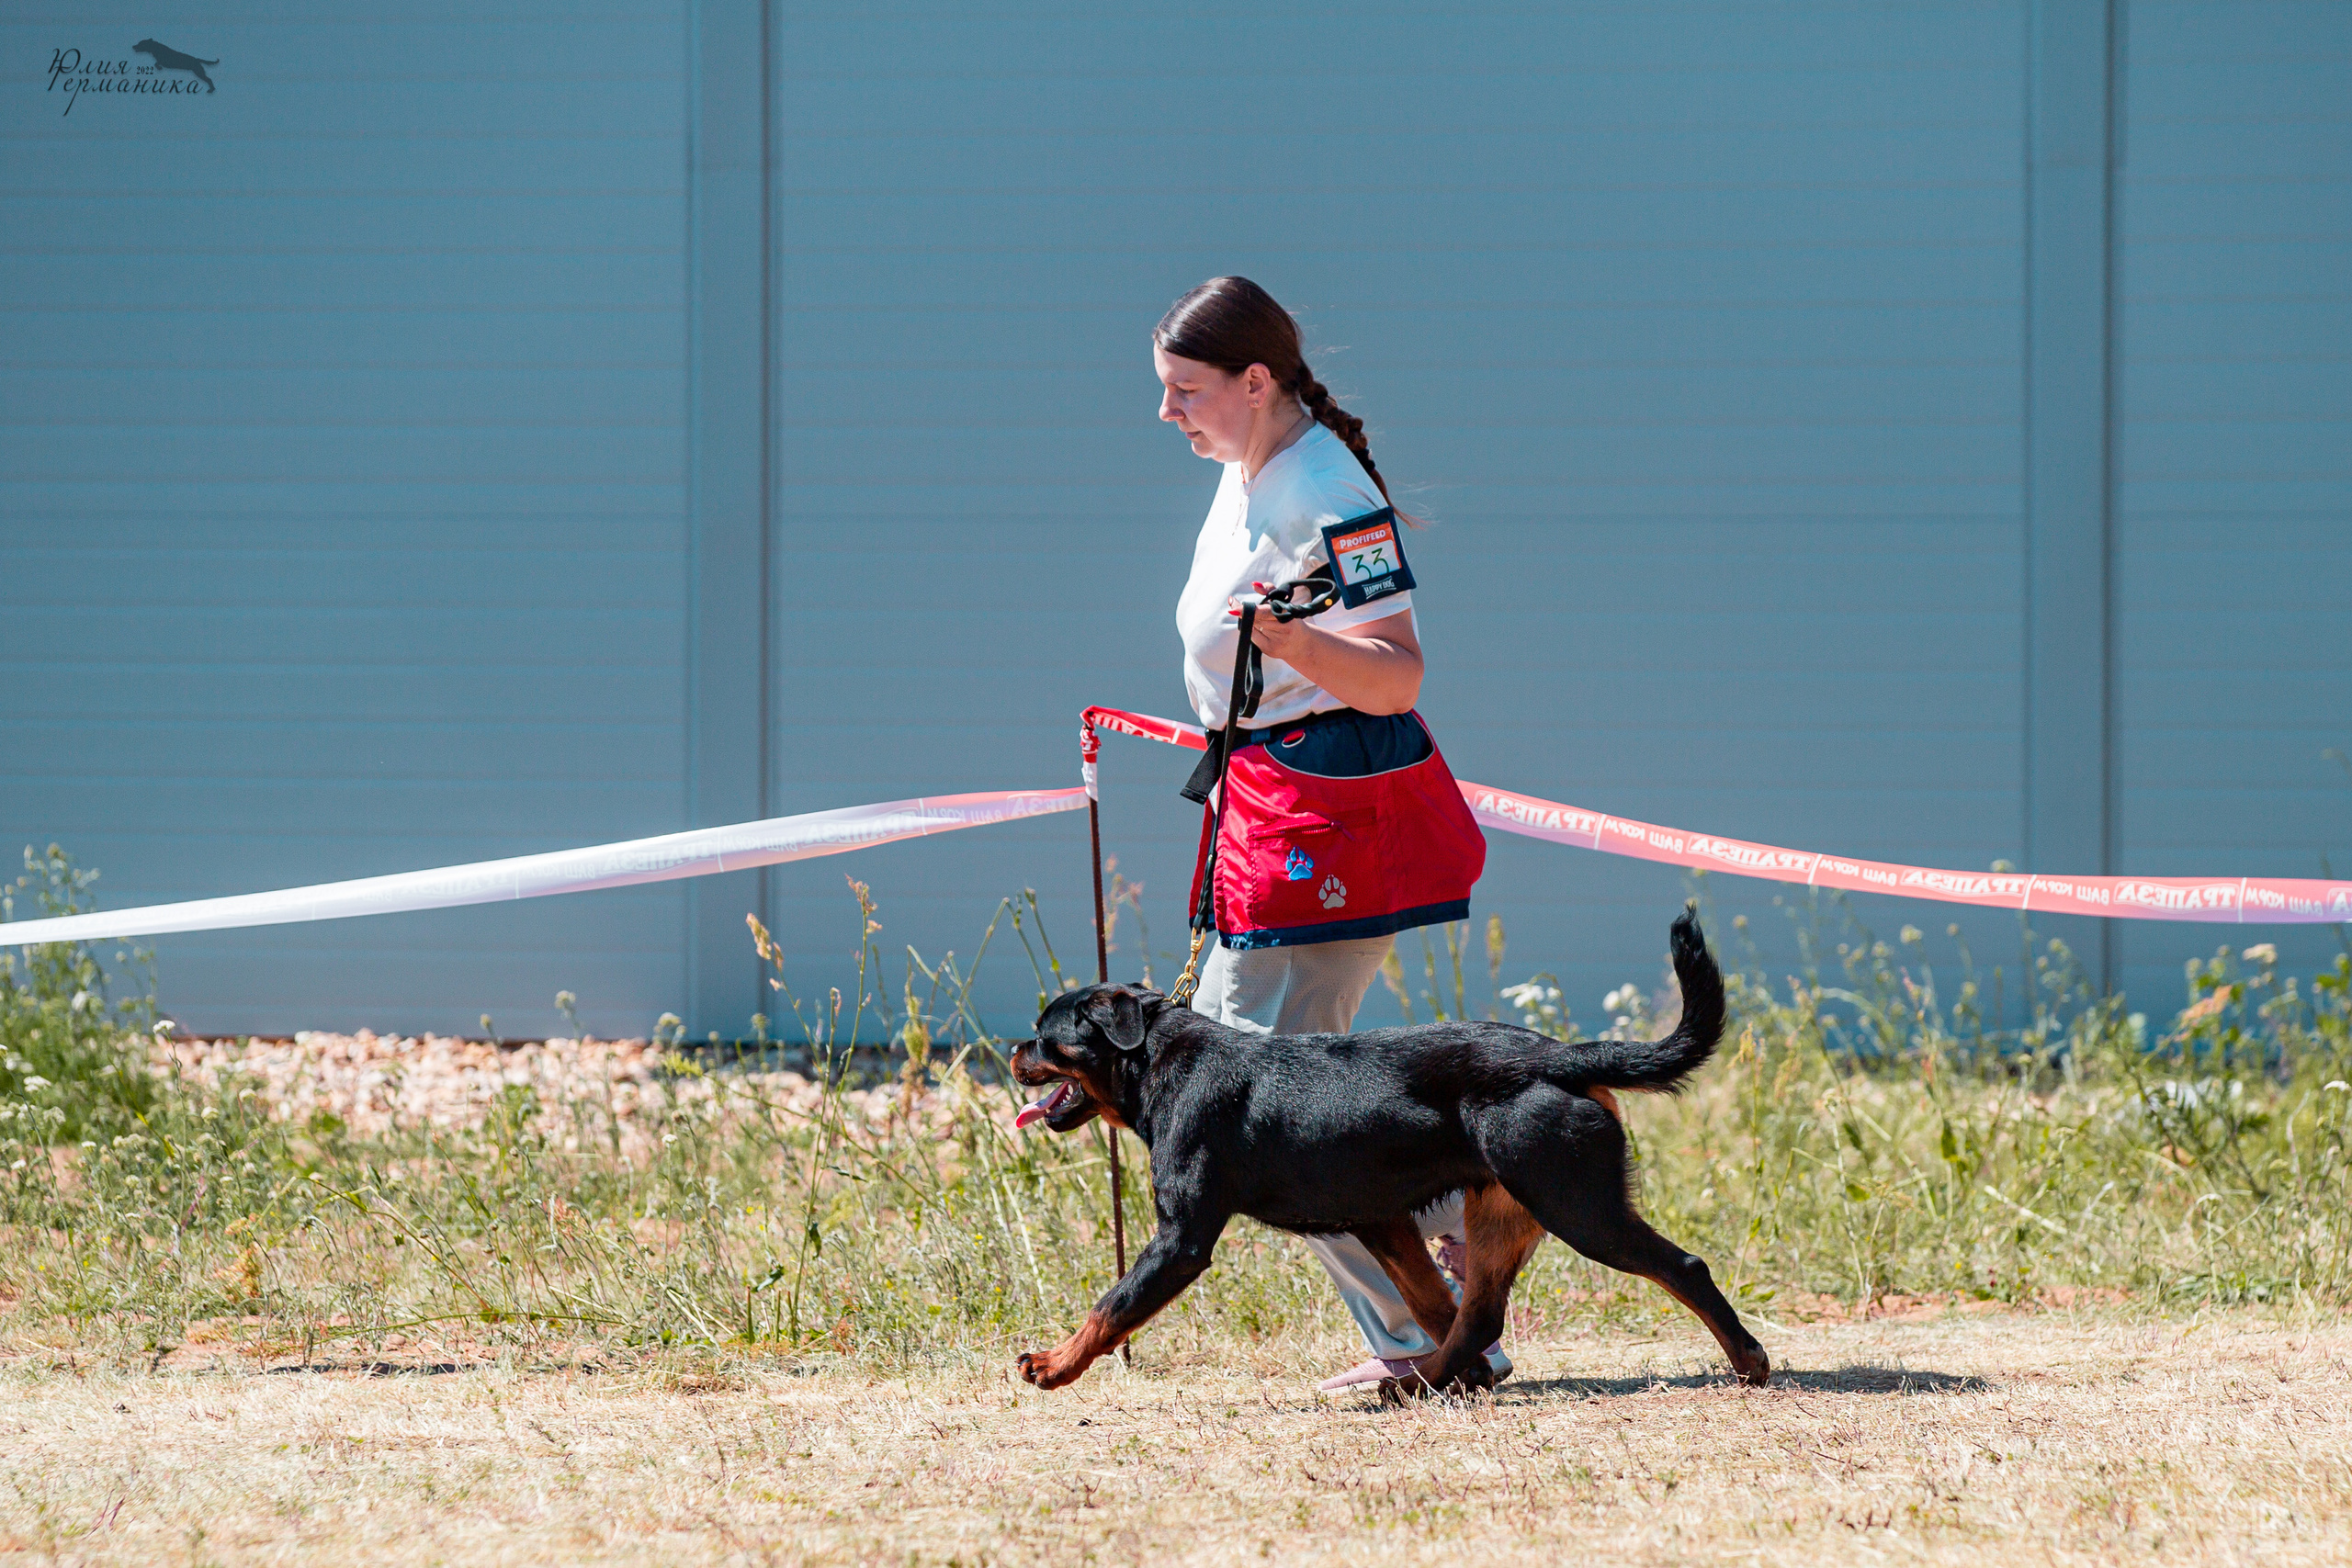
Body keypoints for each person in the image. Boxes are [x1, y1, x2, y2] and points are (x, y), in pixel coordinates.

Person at [1151, 276, 1500, 1392]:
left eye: (1185, 392)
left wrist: (1295, 650)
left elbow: (1397, 678)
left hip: (1323, 822)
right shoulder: (1241, 467)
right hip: (1263, 806)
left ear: (1256, 384)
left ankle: (1427, 1337)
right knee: (1245, 1091)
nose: (1168, 415)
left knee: (1241, 1111)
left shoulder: (1333, 495)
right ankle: (1469, 1206)